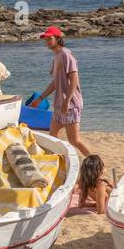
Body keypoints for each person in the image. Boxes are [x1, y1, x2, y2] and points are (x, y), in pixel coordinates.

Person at [32, 26, 92, 158]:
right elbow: (55, 83)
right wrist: (40, 98)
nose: (47, 41)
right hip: (60, 104)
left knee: (74, 140)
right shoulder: (56, 57)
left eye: (50, 38)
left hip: (70, 105)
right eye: (46, 39)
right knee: (52, 137)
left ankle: (96, 161)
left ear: (58, 39)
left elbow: (74, 77)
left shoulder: (66, 54)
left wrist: (67, 100)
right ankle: (54, 161)